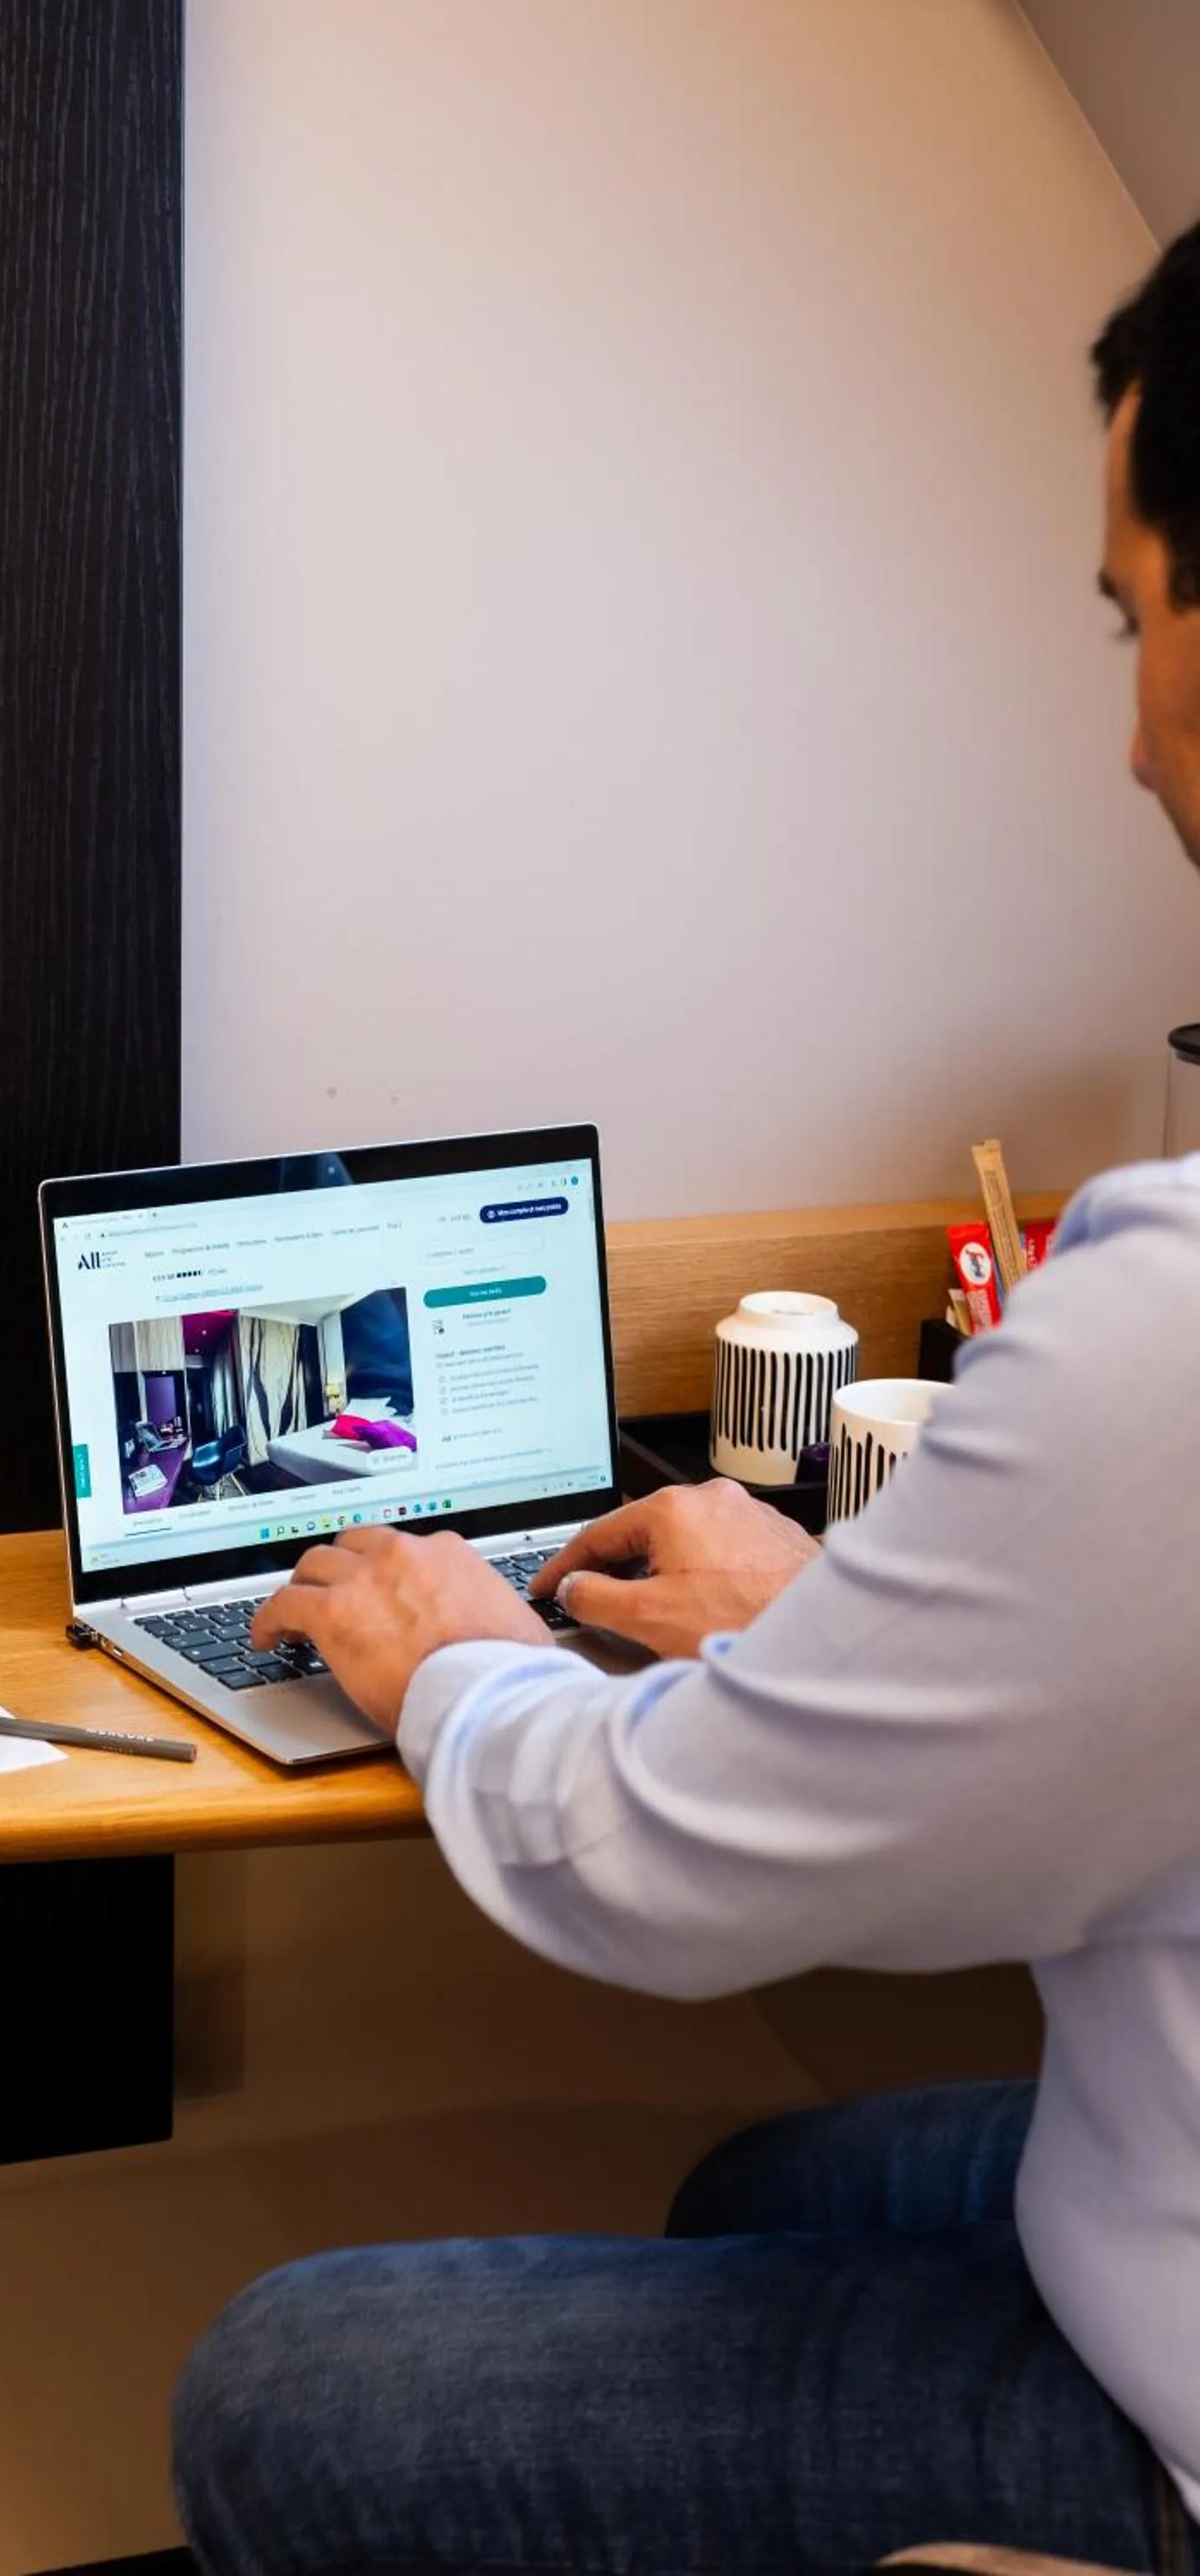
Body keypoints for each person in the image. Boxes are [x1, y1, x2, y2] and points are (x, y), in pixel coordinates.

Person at [171, 223, 1200, 2576]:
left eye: (1131, 617)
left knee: (283, 2393)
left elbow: (667, 1873)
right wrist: (825, 1612)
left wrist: (455, 1668)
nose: (1123, 719)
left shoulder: (1173, 1324)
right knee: (749, 2178)